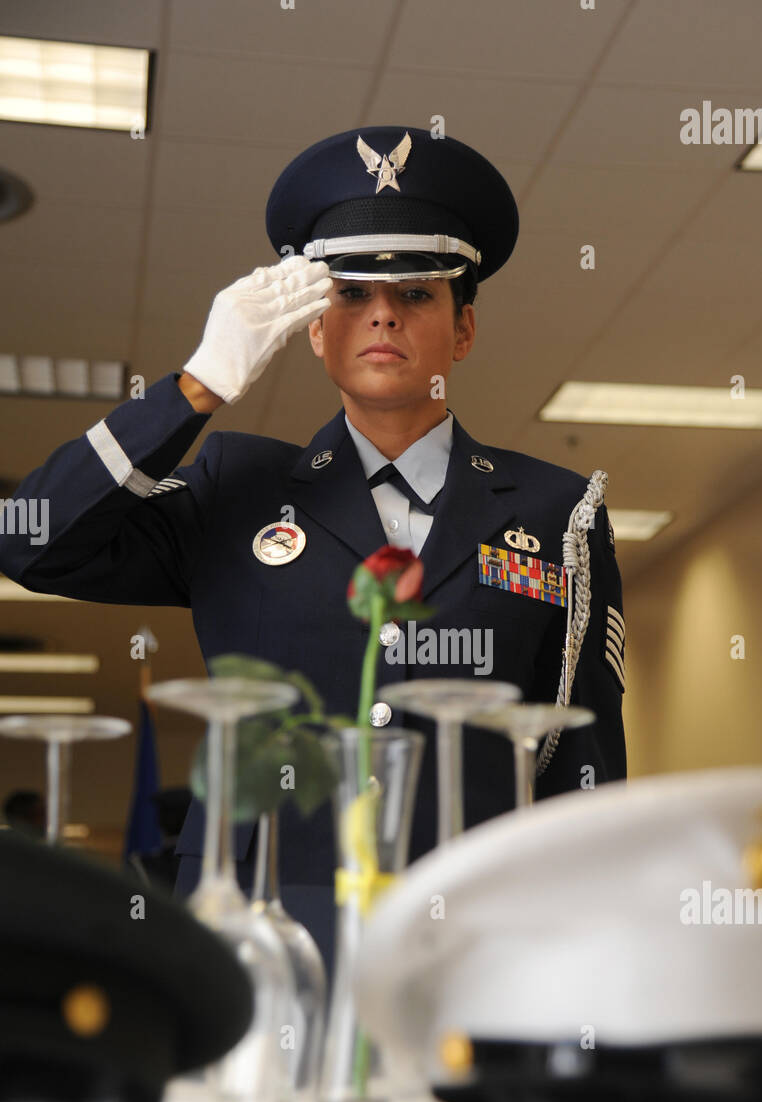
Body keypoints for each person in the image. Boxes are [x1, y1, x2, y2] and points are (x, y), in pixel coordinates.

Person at [0, 126, 626, 972]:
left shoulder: (560, 510)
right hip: (261, 934)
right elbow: (32, 541)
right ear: (312, 330)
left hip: (476, 943)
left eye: (416, 295)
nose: (382, 314)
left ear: (464, 328)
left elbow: (583, 766)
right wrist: (194, 388)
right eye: (351, 293)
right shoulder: (236, 486)